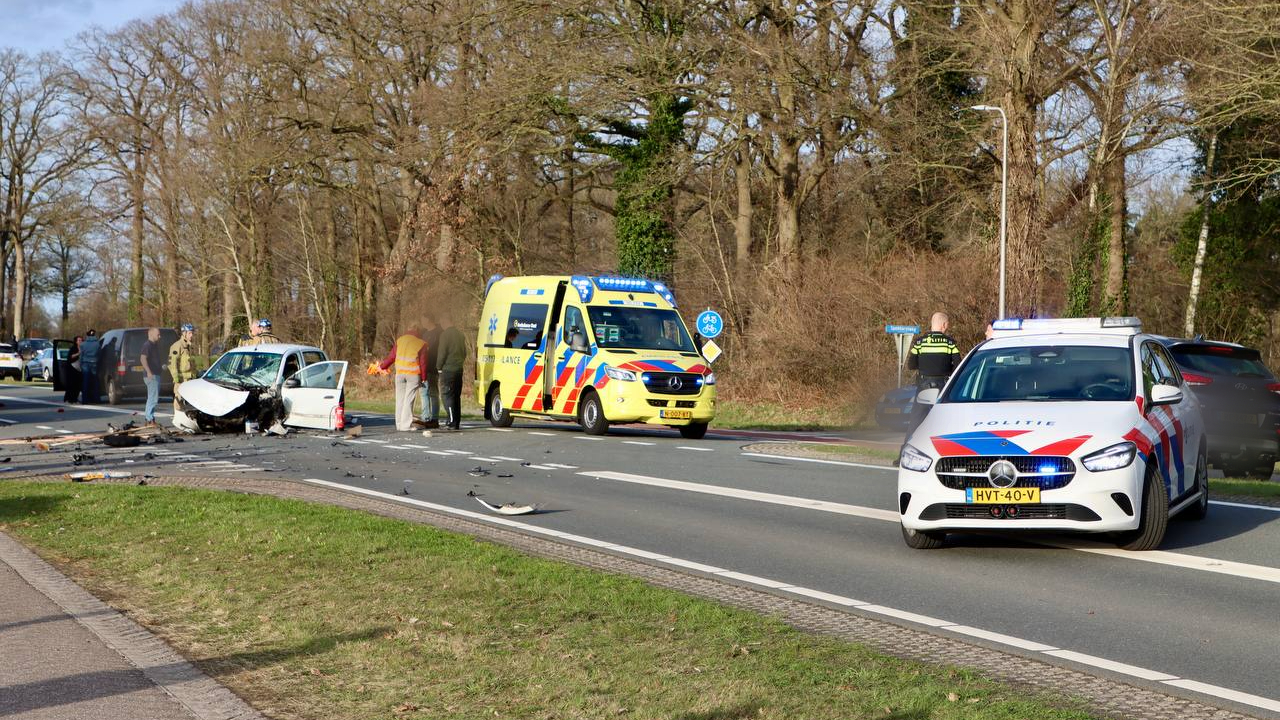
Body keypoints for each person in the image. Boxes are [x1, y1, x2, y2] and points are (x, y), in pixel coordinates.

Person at [902, 312, 961, 446]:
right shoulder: (950, 343)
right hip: (943, 386)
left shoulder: (920, 343)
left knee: (916, 421)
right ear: (944, 325)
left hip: (923, 385)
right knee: (943, 420)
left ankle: (904, 454)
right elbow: (958, 366)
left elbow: (911, 365)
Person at [379, 324, 429, 432]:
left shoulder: (400, 340)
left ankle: (399, 424)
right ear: (418, 330)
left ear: (408, 329)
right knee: (409, 400)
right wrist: (424, 377)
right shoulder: (421, 343)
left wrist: (382, 366)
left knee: (400, 399)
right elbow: (423, 362)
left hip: (400, 374)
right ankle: (406, 426)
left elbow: (392, 357)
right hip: (413, 375)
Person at [436, 312, 467, 431]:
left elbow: (442, 353)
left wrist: (439, 367)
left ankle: (451, 422)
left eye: (442, 322)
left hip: (448, 370)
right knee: (456, 396)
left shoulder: (445, 335)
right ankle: (456, 421)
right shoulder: (460, 334)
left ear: (445, 321)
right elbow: (465, 353)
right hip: (459, 370)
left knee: (447, 396)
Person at [417, 315, 441, 429]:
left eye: (423, 320)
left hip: (433, 367)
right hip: (423, 369)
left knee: (434, 394)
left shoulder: (439, 332)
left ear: (429, 319)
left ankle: (435, 418)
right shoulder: (423, 333)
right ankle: (425, 418)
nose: (422, 322)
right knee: (423, 393)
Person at [169, 324, 197, 412]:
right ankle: (178, 418)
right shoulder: (177, 346)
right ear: (184, 333)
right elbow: (172, 363)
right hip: (181, 380)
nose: (191, 335)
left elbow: (192, 363)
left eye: (192, 333)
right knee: (178, 401)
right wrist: (176, 377)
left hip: (190, 379)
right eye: (189, 333)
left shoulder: (189, 347)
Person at [140, 327, 163, 426]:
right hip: (152, 375)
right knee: (153, 398)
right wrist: (149, 372)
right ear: (151, 334)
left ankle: (149, 418)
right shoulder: (147, 345)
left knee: (152, 397)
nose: (160, 336)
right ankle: (149, 419)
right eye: (158, 334)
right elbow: (143, 358)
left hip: (155, 374)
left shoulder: (154, 345)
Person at [80, 330, 102, 404]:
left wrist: (81, 365)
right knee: (95, 382)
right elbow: (99, 355)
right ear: (94, 335)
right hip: (95, 363)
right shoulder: (98, 344)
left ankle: (85, 400)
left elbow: (81, 356)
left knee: (85, 382)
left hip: (85, 363)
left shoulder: (83, 344)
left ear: (88, 335)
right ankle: (96, 399)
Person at [63, 336, 83, 404]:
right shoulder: (73, 348)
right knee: (72, 384)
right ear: (76, 341)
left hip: (79, 368)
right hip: (72, 368)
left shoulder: (82, 348)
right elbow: (70, 356)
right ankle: (69, 399)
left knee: (78, 385)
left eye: (81, 340)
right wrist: (78, 353)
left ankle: (75, 398)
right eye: (79, 340)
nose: (80, 341)